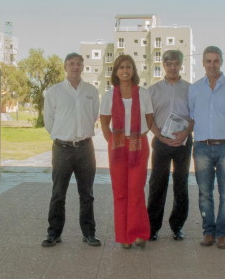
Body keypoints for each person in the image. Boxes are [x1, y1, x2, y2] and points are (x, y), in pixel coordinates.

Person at [188, 46, 225, 249]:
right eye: (208, 61)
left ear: (221, 62)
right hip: (202, 147)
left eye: (216, 61)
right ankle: (208, 232)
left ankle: (223, 233)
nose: (212, 65)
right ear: (203, 63)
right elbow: (192, 117)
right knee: (205, 193)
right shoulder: (194, 89)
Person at [42, 52, 101, 248]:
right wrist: (64, 135)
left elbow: (93, 117)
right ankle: (54, 234)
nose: (75, 67)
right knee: (58, 193)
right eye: (71, 63)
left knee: (87, 194)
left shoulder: (91, 91)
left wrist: (79, 134)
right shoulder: (53, 92)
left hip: (85, 149)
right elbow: (49, 121)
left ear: (83, 66)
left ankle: (89, 233)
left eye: (78, 63)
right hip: (62, 149)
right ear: (65, 67)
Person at [100, 54, 154, 249]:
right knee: (120, 192)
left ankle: (138, 233)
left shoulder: (143, 94)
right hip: (117, 148)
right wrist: (115, 141)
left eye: (128, 67)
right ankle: (124, 236)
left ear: (133, 71)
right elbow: (105, 123)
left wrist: (136, 137)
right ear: (115, 71)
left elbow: (149, 119)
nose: (125, 70)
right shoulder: (109, 95)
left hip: (139, 145)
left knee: (136, 191)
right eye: (121, 67)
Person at [146, 50, 193, 241]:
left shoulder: (191, 89)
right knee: (157, 184)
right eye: (169, 63)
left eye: (176, 63)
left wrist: (186, 132)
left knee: (181, 185)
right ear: (163, 65)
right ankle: (153, 227)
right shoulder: (153, 90)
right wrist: (160, 136)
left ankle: (177, 226)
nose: (173, 67)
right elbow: (148, 118)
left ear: (181, 65)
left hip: (183, 143)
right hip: (161, 142)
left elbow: (195, 116)